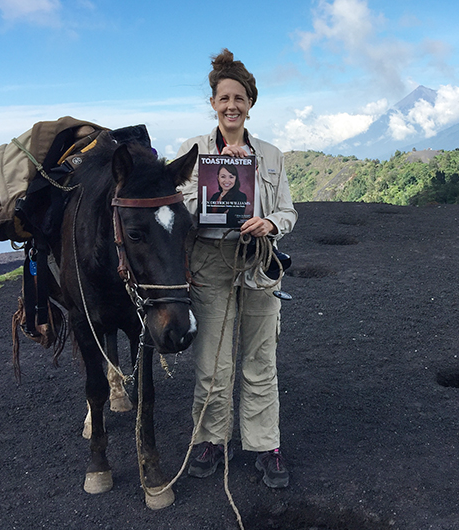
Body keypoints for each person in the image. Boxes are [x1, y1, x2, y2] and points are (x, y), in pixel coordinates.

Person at [175, 48, 297, 489]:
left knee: (261, 359)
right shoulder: (193, 153)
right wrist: (205, 196)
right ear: (213, 102)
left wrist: (270, 221)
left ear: (250, 104)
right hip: (210, 262)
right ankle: (210, 439)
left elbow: (288, 211)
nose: (231, 106)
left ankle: (266, 445)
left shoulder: (270, 155)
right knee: (213, 361)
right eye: (224, 98)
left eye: (239, 99)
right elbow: (178, 207)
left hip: (260, 259)